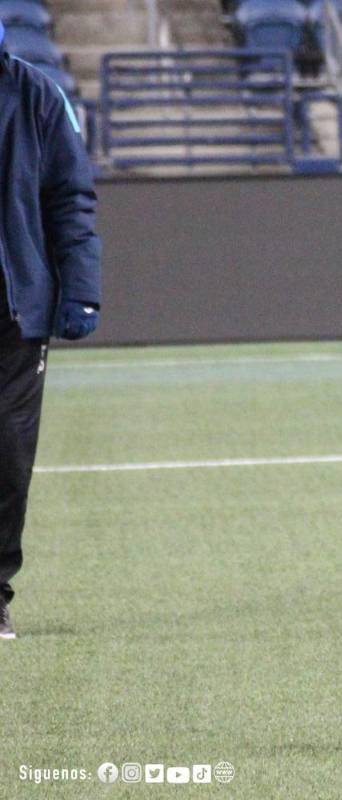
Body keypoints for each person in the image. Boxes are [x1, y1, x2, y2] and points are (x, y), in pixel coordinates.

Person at [0, 21, 103, 640]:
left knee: (8, 455)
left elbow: (70, 196)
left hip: (16, 310)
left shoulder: (36, 94)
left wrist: (81, 290)